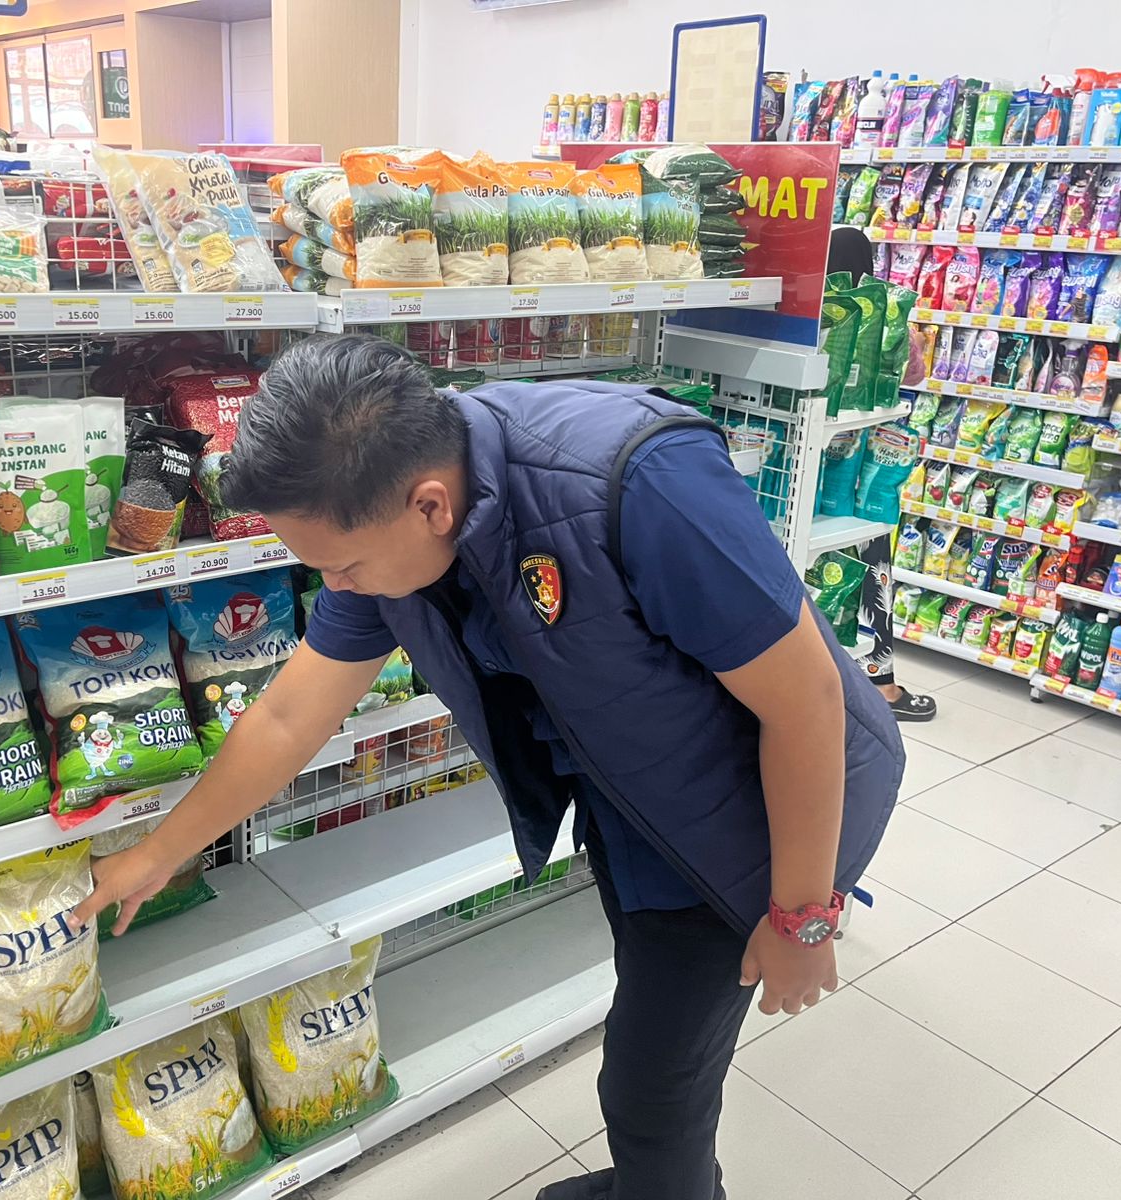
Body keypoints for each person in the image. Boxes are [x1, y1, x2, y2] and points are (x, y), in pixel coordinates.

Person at [71, 335, 904, 1200]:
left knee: (652, 1088)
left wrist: (803, 917)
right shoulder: (390, 514)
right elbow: (288, 716)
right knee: (653, 1035)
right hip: (636, 796)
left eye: (342, 565)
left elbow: (806, 704)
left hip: (767, 810)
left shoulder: (640, 481)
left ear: (430, 506)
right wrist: (158, 854)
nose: (336, 585)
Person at [828, 224, 937, 721]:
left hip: (811, 463)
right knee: (875, 564)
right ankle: (882, 684)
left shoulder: (812, 312)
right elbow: (915, 374)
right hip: (871, 463)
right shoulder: (890, 313)